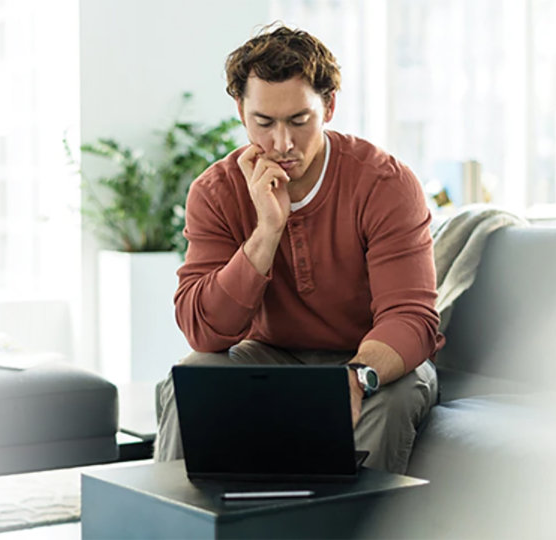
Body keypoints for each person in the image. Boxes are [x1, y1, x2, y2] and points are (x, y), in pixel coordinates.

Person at [154, 23, 442, 474]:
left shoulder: (385, 183)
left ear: (328, 106)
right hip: (270, 353)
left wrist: (354, 377)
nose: (282, 144)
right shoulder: (215, 191)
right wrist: (267, 231)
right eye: (264, 123)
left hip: (370, 358)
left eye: (299, 121)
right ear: (240, 110)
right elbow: (204, 331)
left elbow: (412, 318)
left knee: (396, 397)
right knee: (192, 376)